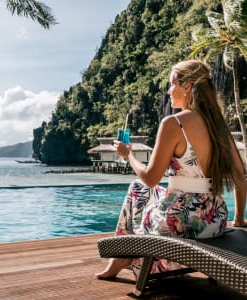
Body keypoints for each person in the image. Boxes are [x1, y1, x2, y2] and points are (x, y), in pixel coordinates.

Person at [95, 59, 247, 279]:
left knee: (138, 188)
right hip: (215, 220)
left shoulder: (174, 123)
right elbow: (241, 177)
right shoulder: (218, 125)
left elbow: (150, 178)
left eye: (172, 83)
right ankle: (124, 256)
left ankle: (123, 256)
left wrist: (129, 155)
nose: (169, 90)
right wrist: (239, 219)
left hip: (180, 221)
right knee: (145, 190)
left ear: (187, 87)